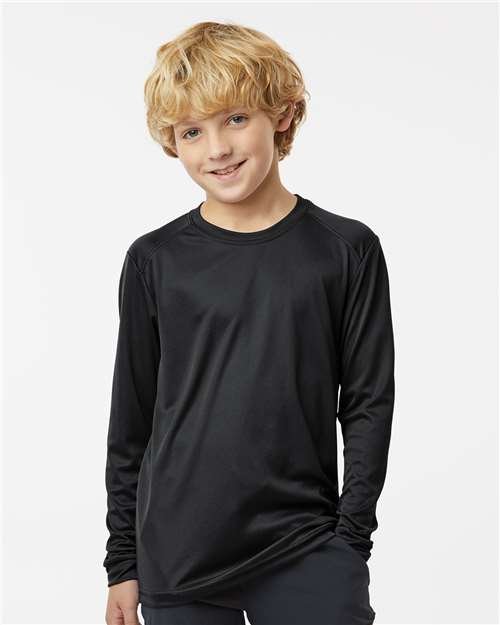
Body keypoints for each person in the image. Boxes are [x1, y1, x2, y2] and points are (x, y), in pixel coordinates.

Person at [103, 21, 395, 625]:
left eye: (235, 119)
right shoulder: (155, 260)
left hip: (305, 547)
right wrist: (122, 561)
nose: (217, 149)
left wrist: (351, 541)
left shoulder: (345, 250)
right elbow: (132, 420)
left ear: (281, 114)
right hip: (178, 556)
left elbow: (368, 403)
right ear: (173, 143)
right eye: (192, 131)